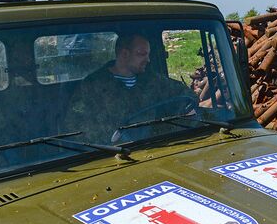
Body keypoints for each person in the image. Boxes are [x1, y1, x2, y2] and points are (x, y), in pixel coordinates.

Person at [64, 33, 196, 143]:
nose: (148, 60)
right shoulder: (92, 86)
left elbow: (186, 96)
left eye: (148, 54)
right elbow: (74, 126)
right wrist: (109, 137)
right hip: (111, 155)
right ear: (125, 54)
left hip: (156, 146)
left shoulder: (152, 80)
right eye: (142, 54)